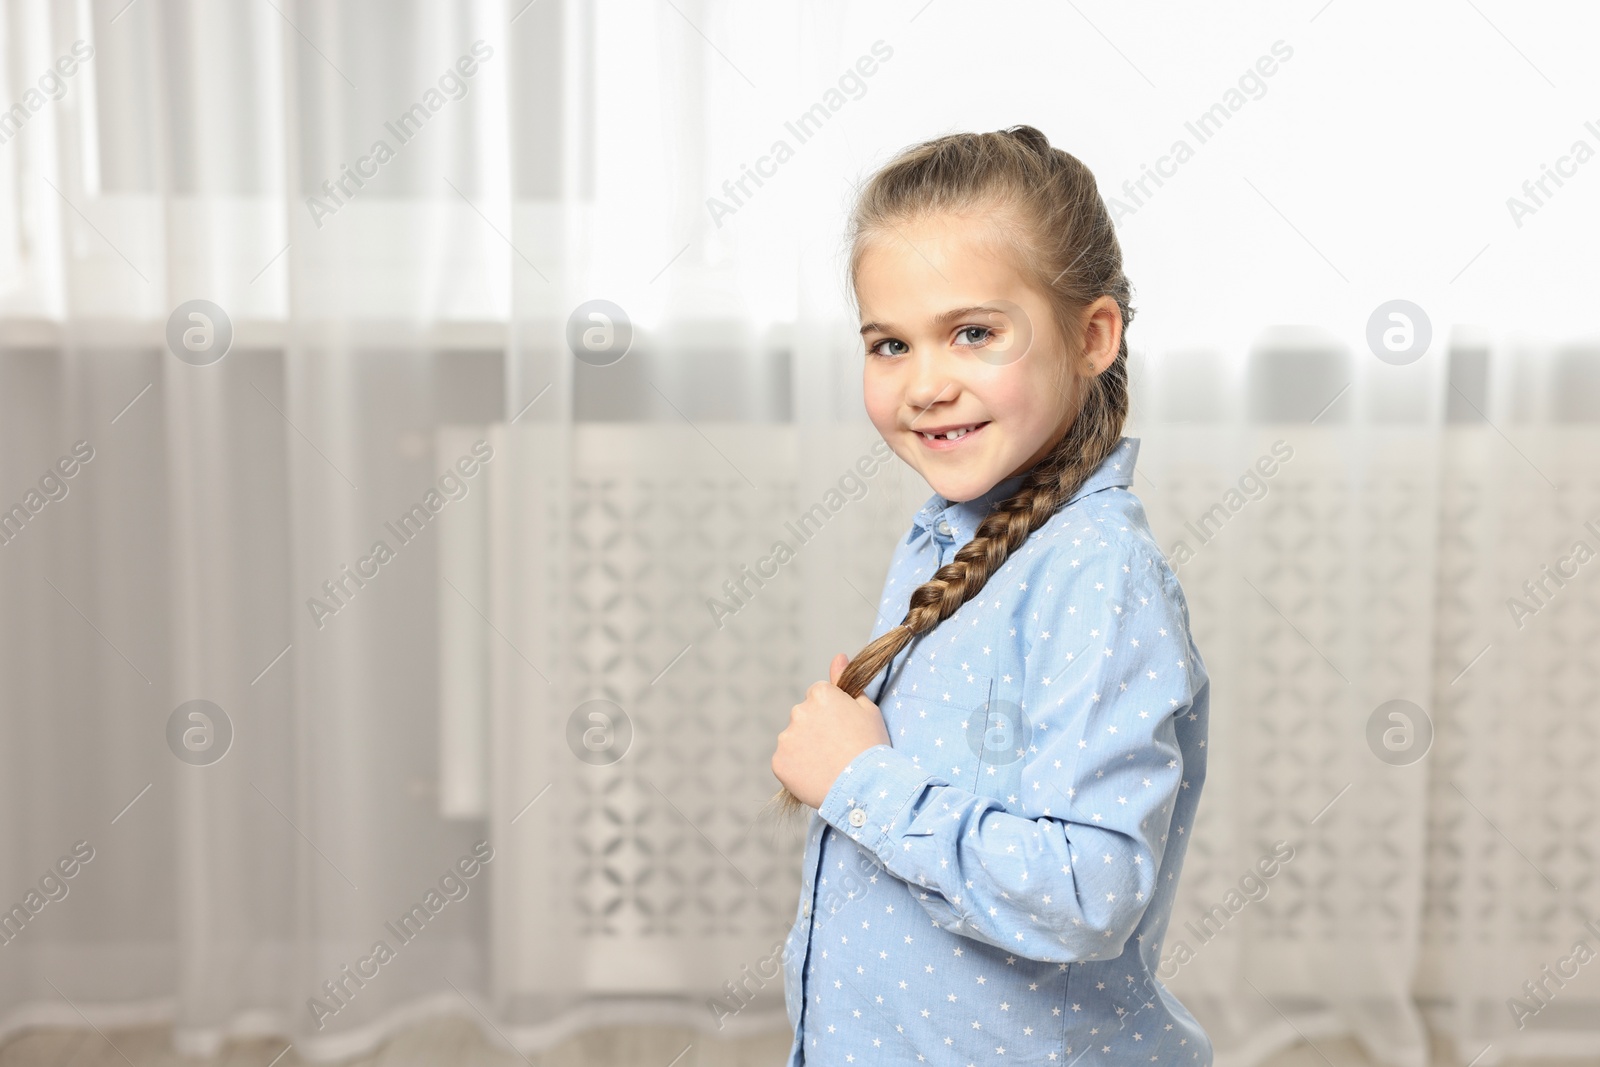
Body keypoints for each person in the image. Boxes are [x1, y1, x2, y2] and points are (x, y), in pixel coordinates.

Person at [767, 124, 1213, 1066]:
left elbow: (1089, 889)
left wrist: (861, 780)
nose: (925, 384)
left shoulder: (1098, 576)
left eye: (973, 332)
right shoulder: (951, 531)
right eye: (889, 343)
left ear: (1092, 336)